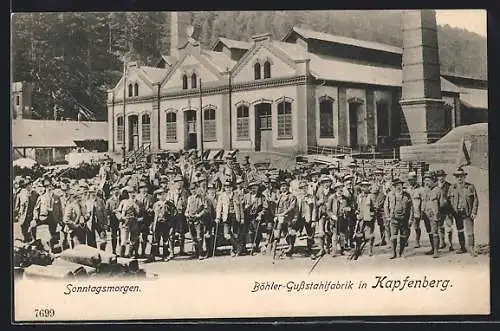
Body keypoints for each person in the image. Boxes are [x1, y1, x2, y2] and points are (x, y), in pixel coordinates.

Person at [447, 167, 479, 257]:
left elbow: (476, 200)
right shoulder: (452, 188)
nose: (459, 178)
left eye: (461, 176)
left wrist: (474, 212)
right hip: (457, 213)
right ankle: (462, 247)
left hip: (468, 212)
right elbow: (448, 201)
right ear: (455, 178)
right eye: (457, 177)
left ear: (464, 177)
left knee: (470, 231)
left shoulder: (470, 187)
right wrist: (450, 214)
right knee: (460, 230)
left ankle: (471, 249)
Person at [384, 178, 413, 259]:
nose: (398, 187)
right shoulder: (390, 195)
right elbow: (386, 206)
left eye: (400, 185)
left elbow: (411, 208)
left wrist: (411, 219)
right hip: (393, 219)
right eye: (396, 185)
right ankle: (393, 253)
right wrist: (387, 216)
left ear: (402, 185)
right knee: (393, 236)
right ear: (394, 186)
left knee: (403, 236)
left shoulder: (407, 195)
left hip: (404, 219)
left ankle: (401, 252)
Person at [148, 188, 178, 262]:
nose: (161, 196)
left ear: (166, 195)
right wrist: (152, 224)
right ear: (157, 196)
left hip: (165, 224)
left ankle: (165, 255)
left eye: (163, 194)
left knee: (165, 241)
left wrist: (171, 225)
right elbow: (153, 216)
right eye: (159, 195)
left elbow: (174, 215)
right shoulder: (156, 204)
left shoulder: (170, 204)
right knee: (155, 241)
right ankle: (153, 256)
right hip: (157, 224)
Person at [216, 180, 245, 257]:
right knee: (226, 235)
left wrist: (242, 218)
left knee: (235, 234)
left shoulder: (236, 195)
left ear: (232, 188)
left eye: (229, 187)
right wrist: (218, 217)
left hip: (235, 216)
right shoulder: (221, 196)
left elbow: (241, 208)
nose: (228, 189)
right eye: (226, 187)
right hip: (226, 216)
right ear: (224, 188)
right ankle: (238, 247)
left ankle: (233, 250)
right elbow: (219, 207)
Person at [271, 180, 297, 258]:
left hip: (288, 217)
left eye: (285, 186)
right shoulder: (279, 196)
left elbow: (292, 207)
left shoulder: (292, 196)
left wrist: (284, 213)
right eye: (282, 186)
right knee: (280, 232)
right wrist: (276, 215)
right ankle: (274, 248)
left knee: (290, 232)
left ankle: (291, 246)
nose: (283, 188)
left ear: (288, 187)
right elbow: (277, 207)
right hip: (280, 217)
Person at [166, 175, 189, 256]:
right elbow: (168, 204)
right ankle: (171, 252)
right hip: (173, 215)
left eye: (181, 182)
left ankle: (182, 250)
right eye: (177, 182)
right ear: (174, 183)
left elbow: (187, 203)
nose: (179, 184)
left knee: (181, 233)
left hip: (182, 214)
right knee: (171, 233)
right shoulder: (171, 192)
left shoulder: (185, 192)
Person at [420, 172, 442, 258]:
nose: (426, 182)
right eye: (425, 180)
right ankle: (433, 248)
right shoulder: (425, 190)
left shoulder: (437, 190)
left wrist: (437, 213)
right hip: (426, 214)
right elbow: (423, 201)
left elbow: (442, 203)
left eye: (428, 180)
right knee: (429, 232)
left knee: (435, 232)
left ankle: (436, 251)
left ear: (433, 180)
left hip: (434, 214)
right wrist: (422, 211)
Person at [312, 175, 333, 259]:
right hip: (321, 214)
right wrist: (319, 202)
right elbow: (315, 203)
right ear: (322, 184)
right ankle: (321, 249)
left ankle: (327, 247)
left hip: (330, 214)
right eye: (324, 183)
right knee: (321, 232)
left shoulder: (332, 191)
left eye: (328, 182)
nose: (326, 184)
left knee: (329, 231)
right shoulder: (319, 191)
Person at [244, 180, 268, 255]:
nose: (253, 189)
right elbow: (241, 206)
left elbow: (265, 207)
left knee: (257, 231)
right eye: (252, 187)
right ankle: (250, 246)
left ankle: (256, 246)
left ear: (258, 188)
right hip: (247, 216)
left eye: (255, 187)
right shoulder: (246, 196)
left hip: (256, 217)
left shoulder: (262, 197)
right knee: (249, 232)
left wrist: (260, 215)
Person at [117, 187, 140, 258]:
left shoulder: (138, 202)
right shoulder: (124, 202)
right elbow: (117, 211)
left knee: (133, 239)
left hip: (134, 222)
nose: (132, 194)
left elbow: (140, 212)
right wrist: (121, 217)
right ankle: (122, 255)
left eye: (134, 193)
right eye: (130, 193)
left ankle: (130, 254)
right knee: (124, 239)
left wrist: (139, 218)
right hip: (125, 222)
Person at [356, 181, 377, 257]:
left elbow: (375, 207)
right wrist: (357, 212)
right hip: (361, 217)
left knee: (370, 235)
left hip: (369, 218)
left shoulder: (371, 196)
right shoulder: (359, 196)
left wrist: (372, 214)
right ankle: (358, 249)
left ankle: (370, 249)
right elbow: (358, 206)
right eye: (363, 186)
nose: (364, 188)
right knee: (359, 234)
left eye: (366, 186)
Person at [326, 182, 346, 257]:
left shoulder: (345, 198)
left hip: (342, 219)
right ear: (336, 189)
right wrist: (332, 216)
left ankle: (342, 249)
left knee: (342, 235)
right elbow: (328, 210)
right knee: (334, 235)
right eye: (338, 188)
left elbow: (349, 207)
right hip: (334, 219)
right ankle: (334, 250)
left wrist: (346, 210)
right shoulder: (332, 198)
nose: (340, 190)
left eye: (341, 188)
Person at [136, 181, 155, 258]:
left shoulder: (151, 197)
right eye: (141, 188)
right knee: (136, 236)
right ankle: (136, 253)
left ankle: (143, 252)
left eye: (145, 188)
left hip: (146, 219)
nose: (143, 189)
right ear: (139, 189)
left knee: (145, 236)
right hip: (138, 219)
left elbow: (153, 207)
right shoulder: (137, 197)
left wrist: (150, 210)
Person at [435, 169, 453, 250]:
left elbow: (452, 198)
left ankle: (450, 244)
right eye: (439, 176)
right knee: (440, 227)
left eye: (442, 176)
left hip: (448, 210)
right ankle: (442, 243)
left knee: (449, 227)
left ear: (445, 177)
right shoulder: (435, 186)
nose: (441, 178)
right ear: (437, 177)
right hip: (438, 210)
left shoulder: (449, 186)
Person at [106, 185, 121, 255]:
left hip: (121, 220)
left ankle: (121, 251)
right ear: (112, 192)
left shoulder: (122, 199)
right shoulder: (109, 201)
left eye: (117, 190)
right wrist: (113, 212)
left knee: (122, 236)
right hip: (113, 220)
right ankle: (114, 250)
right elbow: (107, 211)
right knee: (114, 236)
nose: (116, 191)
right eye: (114, 190)